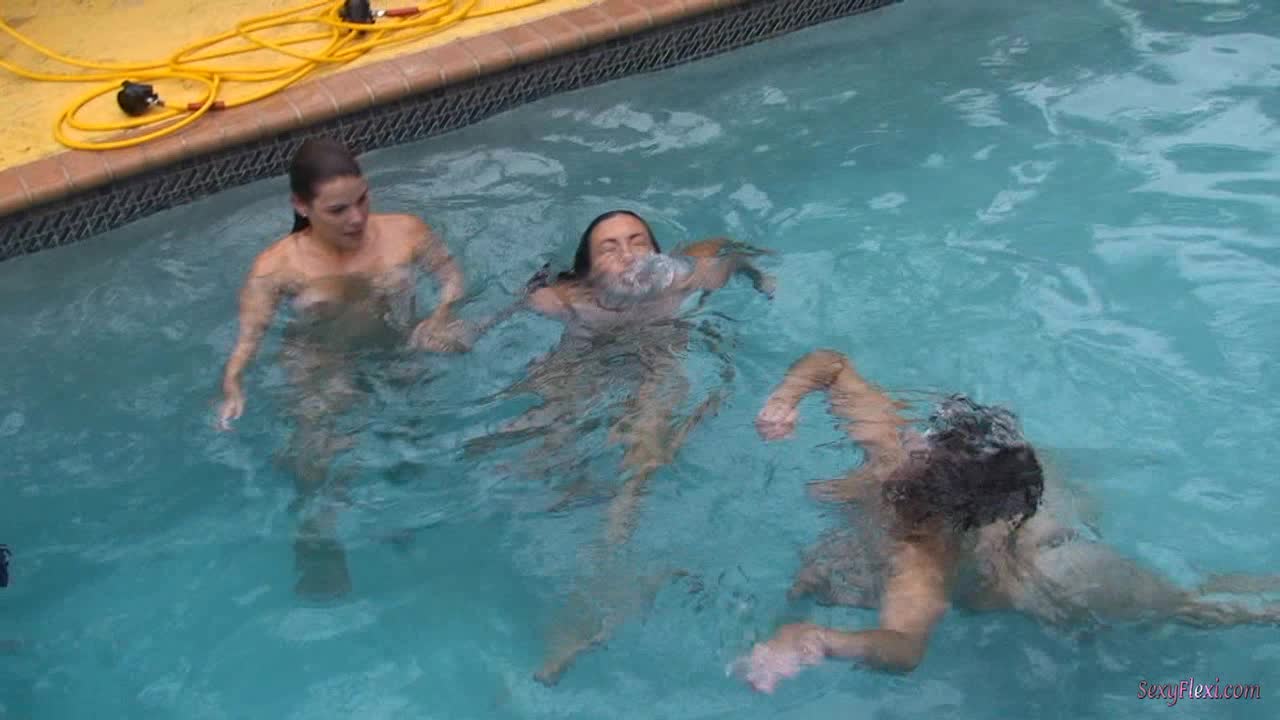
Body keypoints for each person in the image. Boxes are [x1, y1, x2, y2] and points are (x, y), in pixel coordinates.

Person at [739, 348, 1280, 693]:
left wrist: (819, 639)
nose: (912, 437)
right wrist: (785, 399)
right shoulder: (900, 453)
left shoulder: (923, 555)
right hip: (1025, 505)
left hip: (1051, 565)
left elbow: (904, 645)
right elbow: (831, 364)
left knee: (1195, 606)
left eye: (922, 444)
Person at [464, 209, 775, 684]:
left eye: (638, 242)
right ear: (587, 271)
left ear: (659, 253)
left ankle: (594, 595)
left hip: (657, 360)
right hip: (584, 359)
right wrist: (467, 329)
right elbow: (494, 318)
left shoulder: (684, 281)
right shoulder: (564, 300)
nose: (629, 255)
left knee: (642, 452)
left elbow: (728, 253)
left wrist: (760, 274)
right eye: (610, 248)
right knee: (530, 440)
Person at [214, 136, 469, 600]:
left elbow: (452, 277)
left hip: (396, 347)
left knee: (408, 439)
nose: (357, 218)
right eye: (337, 210)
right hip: (322, 362)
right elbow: (250, 335)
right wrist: (233, 383)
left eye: (362, 200)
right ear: (301, 206)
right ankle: (316, 544)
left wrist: (441, 315)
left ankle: (402, 525)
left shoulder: (406, 231)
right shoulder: (277, 266)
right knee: (320, 451)